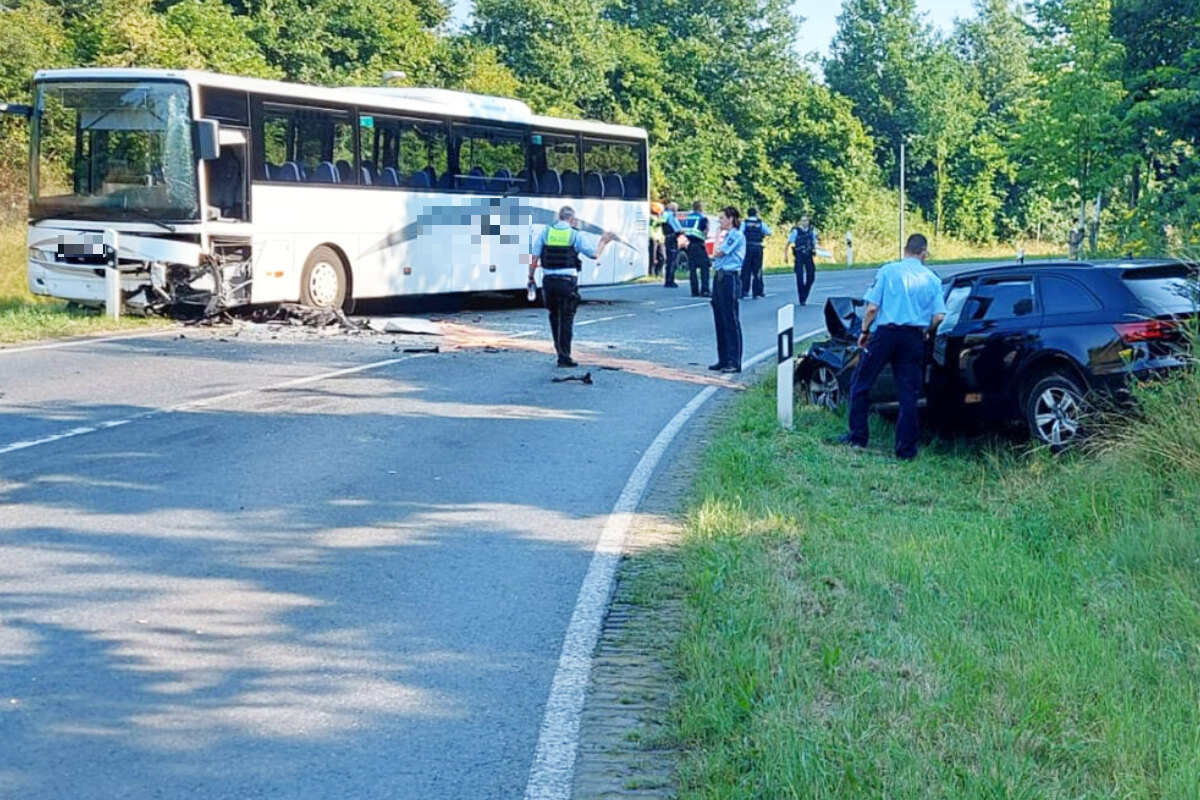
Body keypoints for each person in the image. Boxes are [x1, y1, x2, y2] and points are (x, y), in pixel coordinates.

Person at [837, 233, 946, 460]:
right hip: (913, 337)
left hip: (885, 334)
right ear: (924, 253)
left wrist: (865, 332)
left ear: (904, 249)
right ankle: (905, 449)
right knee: (909, 393)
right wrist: (924, 331)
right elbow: (939, 316)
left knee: (861, 382)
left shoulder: (888, 271)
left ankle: (858, 436)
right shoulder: (932, 278)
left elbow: (872, 308)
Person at [529, 206, 615, 367]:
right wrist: (603, 241)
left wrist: (531, 278)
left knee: (554, 316)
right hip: (567, 282)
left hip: (548, 281)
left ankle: (559, 352)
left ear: (559, 217)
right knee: (566, 318)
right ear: (572, 219)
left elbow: (534, 258)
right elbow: (594, 255)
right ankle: (564, 356)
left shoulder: (545, 233)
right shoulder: (575, 234)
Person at [709, 207, 746, 373]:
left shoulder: (736, 236)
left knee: (730, 320)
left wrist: (717, 236)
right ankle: (723, 359)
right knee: (719, 318)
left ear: (731, 219)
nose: (720, 222)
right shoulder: (729, 236)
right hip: (719, 276)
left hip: (729, 278)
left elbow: (717, 253)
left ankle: (734, 361)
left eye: (722, 218)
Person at [740, 207, 772, 299]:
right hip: (758, 247)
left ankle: (744, 291)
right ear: (756, 214)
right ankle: (757, 292)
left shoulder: (744, 223)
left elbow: (740, 233)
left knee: (746, 269)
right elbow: (769, 232)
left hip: (747, 247)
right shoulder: (760, 223)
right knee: (757, 270)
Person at [682, 201, 711, 297]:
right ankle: (705, 290)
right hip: (699, 245)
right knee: (704, 267)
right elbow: (705, 232)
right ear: (700, 208)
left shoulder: (689, 217)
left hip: (690, 245)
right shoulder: (702, 218)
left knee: (693, 269)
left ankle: (694, 291)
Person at [787, 215, 818, 305]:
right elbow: (788, 243)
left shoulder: (812, 232)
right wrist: (786, 256)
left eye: (805, 220)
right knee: (799, 277)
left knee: (811, 276)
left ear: (808, 222)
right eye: (802, 221)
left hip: (808, 255)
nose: (804, 222)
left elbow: (815, 243)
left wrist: (815, 249)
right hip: (799, 256)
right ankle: (802, 298)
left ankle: (805, 292)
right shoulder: (796, 232)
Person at [662, 201, 684, 288]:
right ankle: (670, 280)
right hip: (672, 239)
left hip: (666, 238)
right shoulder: (671, 216)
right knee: (672, 260)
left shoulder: (664, 215)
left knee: (669, 260)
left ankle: (667, 279)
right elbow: (678, 229)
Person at [649, 201, 666, 277]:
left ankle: (658, 271)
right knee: (653, 257)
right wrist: (660, 216)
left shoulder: (659, 217)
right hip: (653, 238)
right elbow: (660, 222)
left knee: (663, 257)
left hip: (660, 239)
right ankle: (652, 273)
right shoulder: (651, 217)